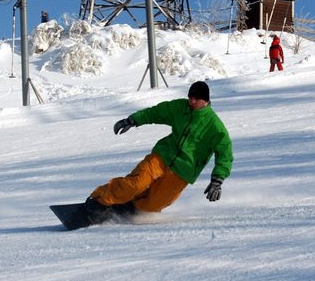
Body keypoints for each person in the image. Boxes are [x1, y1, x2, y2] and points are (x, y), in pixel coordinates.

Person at [85, 80, 233, 222]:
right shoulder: (179, 107)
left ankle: (131, 207)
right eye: (190, 97)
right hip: (162, 156)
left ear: (206, 100)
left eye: (197, 98)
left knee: (154, 204)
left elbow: (225, 154)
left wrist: (217, 181)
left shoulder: (214, 126)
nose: (192, 101)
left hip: (184, 171)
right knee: (136, 184)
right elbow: (156, 112)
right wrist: (133, 120)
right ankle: (98, 201)